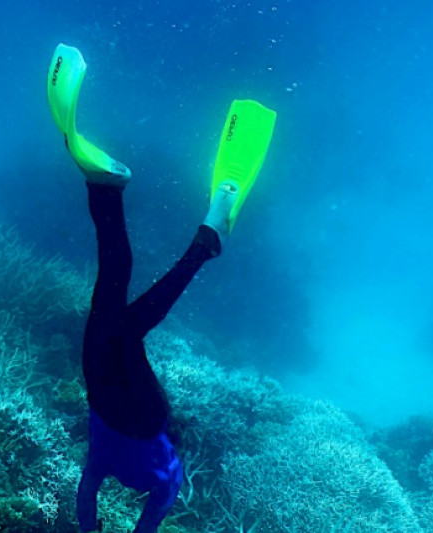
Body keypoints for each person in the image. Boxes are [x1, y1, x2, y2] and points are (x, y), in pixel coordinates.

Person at [46, 44, 276, 533]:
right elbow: (87, 492)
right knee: (112, 293)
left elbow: (140, 520)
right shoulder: (112, 466)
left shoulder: (168, 478)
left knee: (127, 319)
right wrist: (89, 531)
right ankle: (106, 190)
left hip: (139, 411)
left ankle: (203, 241)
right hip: (99, 387)